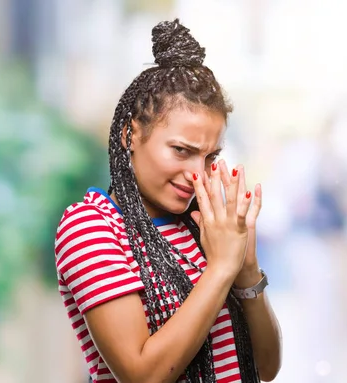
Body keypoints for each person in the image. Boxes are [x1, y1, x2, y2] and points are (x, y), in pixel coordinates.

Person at [54, 18, 282, 383]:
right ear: (131, 134)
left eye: (209, 158)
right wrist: (221, 268)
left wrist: (247, 270)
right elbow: (143, 375)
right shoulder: (91, 227)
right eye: (181, 150)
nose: (198, 175)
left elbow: (265, 368)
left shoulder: (204, 229)